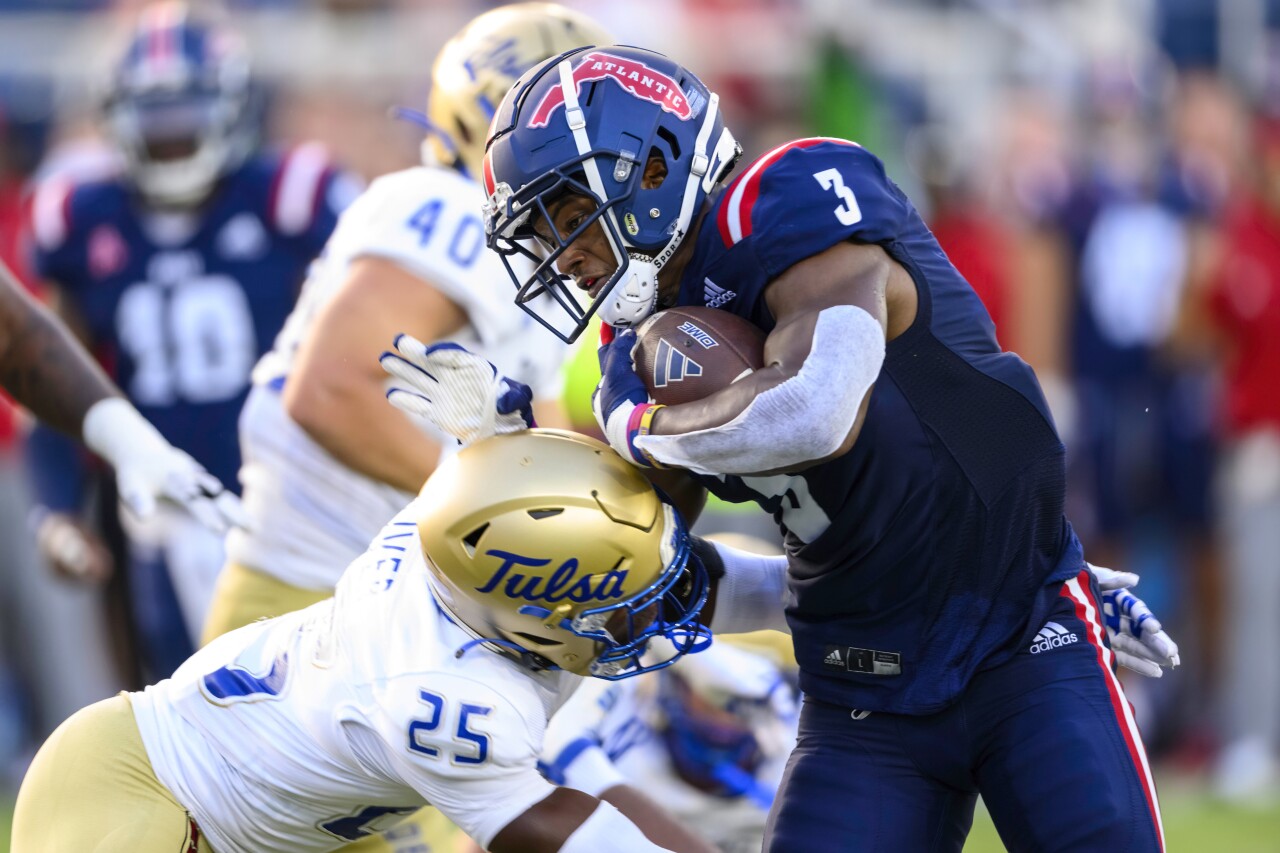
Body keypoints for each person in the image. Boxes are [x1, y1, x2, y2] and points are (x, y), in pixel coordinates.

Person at [397, 45, 1183, 851]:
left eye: (568, 218)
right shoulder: (630, 352)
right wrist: (514, 471)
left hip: (1022, 641)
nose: (566, 256)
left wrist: (642, 430)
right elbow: (652, 569)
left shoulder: (786, 196)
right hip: (861, 688)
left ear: (654, 168)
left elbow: (815, 410)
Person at [12, 429, 724, 853]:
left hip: (293, 826)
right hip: (141, 788)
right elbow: (580, 836)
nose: (643, 619)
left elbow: (705, 586)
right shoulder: (438, 696)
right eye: (616, 600)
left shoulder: (469, 561)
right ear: (534, 612)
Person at [25, 2, 358, 677]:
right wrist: (58, 508)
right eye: (154, 119)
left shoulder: (288, 198)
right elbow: (52, 373)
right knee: (182, 694)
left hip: (291, 494)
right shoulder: (81, 219)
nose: (171, 135)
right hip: (159, 508)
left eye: (185, 117)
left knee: (318, 686)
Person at [536, 636, 800, 853]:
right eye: (719, 698)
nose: (728, 720)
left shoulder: (802, 740)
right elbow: (554, 745)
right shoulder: (622, 693)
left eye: (747, 705)